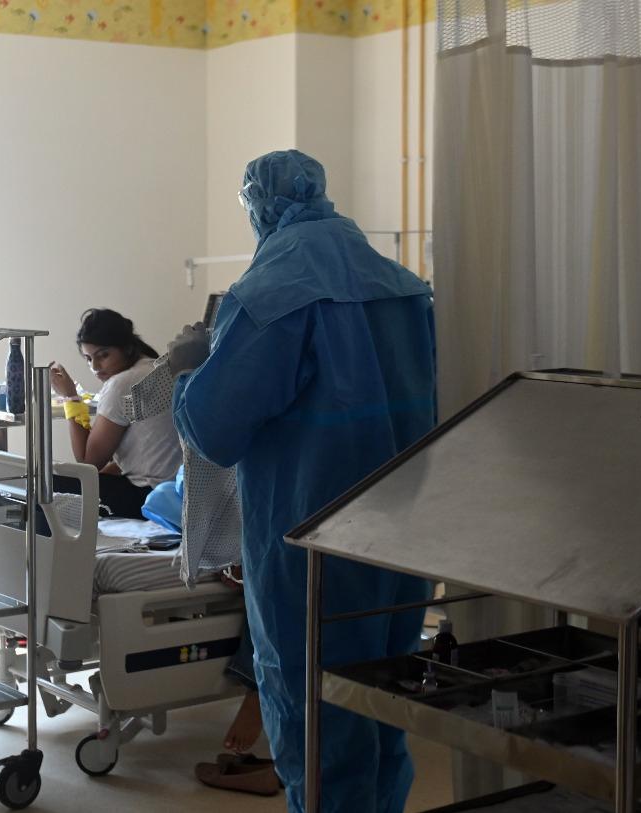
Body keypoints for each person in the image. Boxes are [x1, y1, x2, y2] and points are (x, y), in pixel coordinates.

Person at [169, 150, 437, 813]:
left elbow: (214, 428)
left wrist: (186, 375)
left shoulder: (267, 298)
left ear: (259, 207)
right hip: (402, 533)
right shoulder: (404, 287)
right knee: (383, 694)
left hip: (310, 537)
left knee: (312, 702)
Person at [50, 308, 182, 518]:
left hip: (149, 498)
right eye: (88, 358)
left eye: (103, 355)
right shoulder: (159, 368)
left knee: (48, 484)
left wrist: (70, 397)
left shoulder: (122, 383)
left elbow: (87, 462)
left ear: (127, 348)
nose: (95, 366)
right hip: (179, 494)